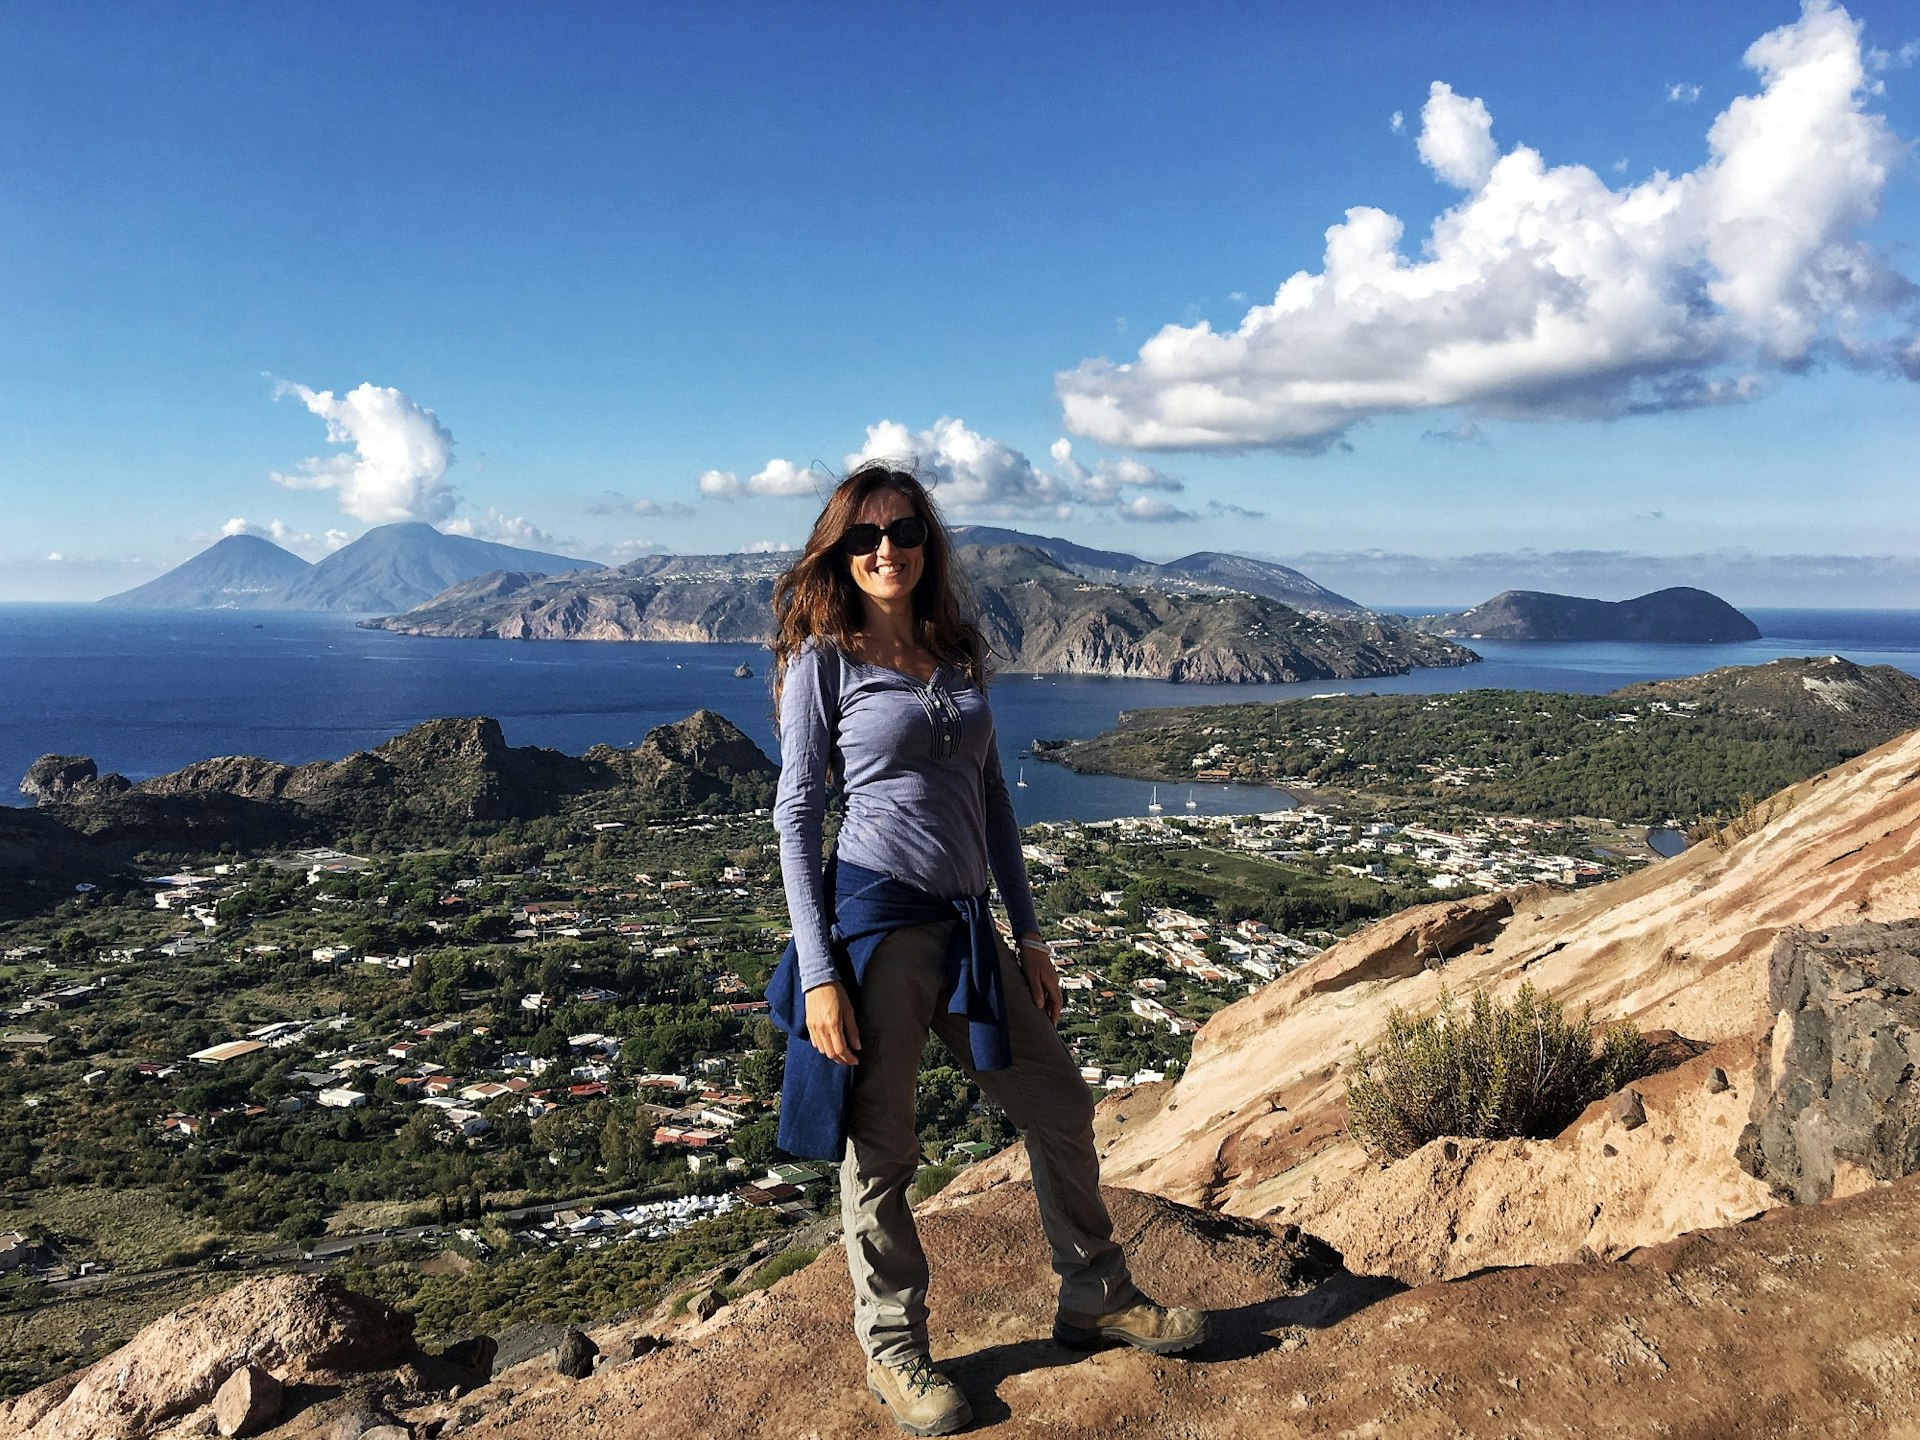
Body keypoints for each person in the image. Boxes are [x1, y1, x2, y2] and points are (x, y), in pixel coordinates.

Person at [766, 461, 1206, 1437]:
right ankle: (894, 1352)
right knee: (881, 1149)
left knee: (1058, 1100)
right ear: (839, 550)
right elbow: (797, 816)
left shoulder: (953, 648)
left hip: (969, 926)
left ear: (929, 541)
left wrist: (1029, 929)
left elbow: (993, 801)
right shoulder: (820, 659)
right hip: (876, 924)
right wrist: (823, 973)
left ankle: (1093, 1292)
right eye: (866, 535)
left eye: (906, 529)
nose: (889, 549)